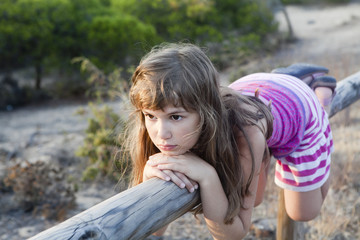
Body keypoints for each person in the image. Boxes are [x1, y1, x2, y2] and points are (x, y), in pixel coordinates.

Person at [124, 43, 335, 239]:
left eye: (176, 117)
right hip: (256, 94)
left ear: (206, 112)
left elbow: (235, 233)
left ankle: (319, 93)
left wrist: (207, 177)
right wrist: (147, 176)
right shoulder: (157, 133)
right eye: (151, 116)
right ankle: (282, 80)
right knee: (255, 199)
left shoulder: (246, 134)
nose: (161, 134)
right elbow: (154, 230)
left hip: (297, 106)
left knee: (302, 212)